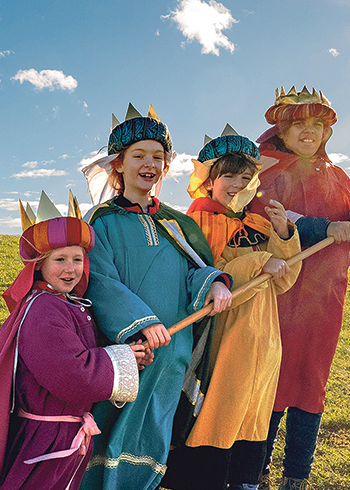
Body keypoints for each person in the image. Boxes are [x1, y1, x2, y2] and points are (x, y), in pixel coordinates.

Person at [0, 191, 146, 490]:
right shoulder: (44, 309)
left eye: (77, 259)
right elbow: (68, 372)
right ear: (38, 264)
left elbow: (86, 353)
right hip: (46, 440)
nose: (70, 268)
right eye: (60, 259)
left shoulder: (68, 303)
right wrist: (122, 358)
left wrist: (130, 356)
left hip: (64, 435)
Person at [79, 104, 233, 490]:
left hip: (173, 352)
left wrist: (214, 282)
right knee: (110, 429)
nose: (149, 164)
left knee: (154, 436)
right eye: (138, 155)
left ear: (166, 166)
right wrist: (141, 324)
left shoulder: (178, 224)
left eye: (157, 157)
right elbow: (99, 278)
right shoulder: (101, 220)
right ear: (118, 163)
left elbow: (193, 269)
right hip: (130, 350)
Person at [247, 87, 350, 490]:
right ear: (283, 131)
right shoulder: (267, 170)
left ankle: (297, 477)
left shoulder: (339, 177)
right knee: (275, 373)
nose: (309, 133)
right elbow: (266, 215)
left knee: (312, 378)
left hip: (327, 295)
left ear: (326, 132)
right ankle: (257, 469)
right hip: (283, 290)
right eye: (299, 125)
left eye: (317, 125)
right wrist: (321, 227)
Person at [160, 127, 301, 490]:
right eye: (228, 175)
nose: (238, 184)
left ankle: (243, 480)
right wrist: (258, 262)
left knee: (253, 410)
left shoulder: (259, 223)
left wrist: (284, 236)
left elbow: (284, 279)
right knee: (219, 409)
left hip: (264, 338)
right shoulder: (195, 223)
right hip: (225, 335)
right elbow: (204, 276)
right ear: (209, 181)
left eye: (245, 176)